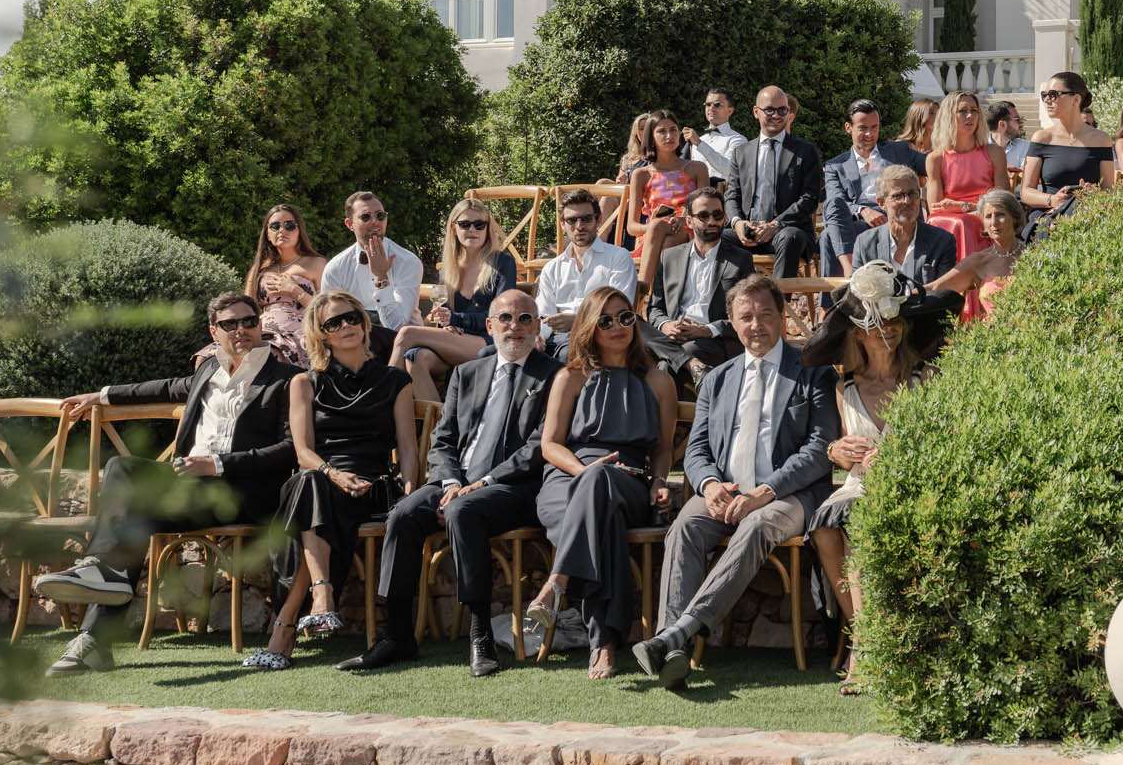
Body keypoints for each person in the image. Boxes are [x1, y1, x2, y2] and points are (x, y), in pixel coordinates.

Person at [37, 293, 296, 675]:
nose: (241, 330)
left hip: (243, 492)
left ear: (260, 325)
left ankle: (94, 635)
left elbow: (290, 450)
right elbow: (162, 387)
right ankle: (100, 600)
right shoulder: (208, 372)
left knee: (132, 514)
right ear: (214, 331)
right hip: (189, 488)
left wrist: (218, 464)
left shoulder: (287, 379)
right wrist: (102, 395)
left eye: (248, 321)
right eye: (229, 324)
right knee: (123, 469)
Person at [632, 276, 837, 694]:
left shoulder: (813, 373)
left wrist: (765, 492)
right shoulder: (718, 379)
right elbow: (698, 448)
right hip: (724, 492)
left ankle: (679, 632)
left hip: (788, 496)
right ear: (731, 321)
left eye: (765, 314)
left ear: (782, 317)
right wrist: (708, 485)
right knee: (685, 526)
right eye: (746, 317)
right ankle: (674, 649)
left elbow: (819, 449)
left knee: (757, 526)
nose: (756, 324)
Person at [338, 287, 557, 677]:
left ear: (538, 325)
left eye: (525, 319)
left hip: (516, 487)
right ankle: (397, 635)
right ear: (489, 326)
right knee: (403, 513)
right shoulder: (467, 373)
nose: (515, 327)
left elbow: (540, 446)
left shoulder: (553, 376)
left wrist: (483, 482)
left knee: (464, 510)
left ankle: (480, 633)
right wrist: (450, 480)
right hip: (456, 484)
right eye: (505, 318)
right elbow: (443, 439)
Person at [243, 290, 417, 670]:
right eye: (333, 323)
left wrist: (408, 493)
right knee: (311, 485)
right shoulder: (305, 383)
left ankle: (286, 626)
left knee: (310, 501)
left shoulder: (394, 381)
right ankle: (321, 598)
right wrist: (334, 474)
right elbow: (303, 451)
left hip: (371, 485)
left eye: (352, 317)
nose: (346, 326)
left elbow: (407, 450)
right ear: (321, 334)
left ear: (364, 321)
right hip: (323, 474)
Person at [529, 287, 676, 680]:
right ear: (590, 327)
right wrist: (584, 472)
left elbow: (662, 450)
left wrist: (659, 481)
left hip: (628, 480)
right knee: (602, 512)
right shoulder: (570, 377)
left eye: (625, 317)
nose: (617, 327)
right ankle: (604, 644)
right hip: (567, 478)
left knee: (604, 489)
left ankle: (558, 582)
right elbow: (550, 445)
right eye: (606, 320)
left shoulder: (658, 380)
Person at [801, 263, 934, 691]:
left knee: (855, 521)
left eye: (894, 322)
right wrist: (836, 451)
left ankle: (865, 652)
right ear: (858, 333)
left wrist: (897, 456)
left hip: (908, 485)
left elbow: (941, 440)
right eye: (877, 325)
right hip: (858, 484)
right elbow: (835, 445)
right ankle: (867, 635)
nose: (888, 332)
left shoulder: (924, 379)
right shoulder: (846, 388)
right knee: (824, 527)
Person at [387, 201, 518, 404]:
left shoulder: (502, 263)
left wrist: (456, 318)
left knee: (407, 334)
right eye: (465, 224)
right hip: (457, 340)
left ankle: (383, 406)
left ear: (487, 228)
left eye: (479, 225)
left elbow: (504, 316)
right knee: (415, 357)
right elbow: (445, 314)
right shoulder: (449, 268)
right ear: (453, 227)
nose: (472, 230)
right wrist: (442, 320)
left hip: (490, 340)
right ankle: (438, 429)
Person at [641, 188, 756, 389]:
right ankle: (692, 365)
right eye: (703, 215)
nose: (712, 221)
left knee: (665, 366)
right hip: (671, 335)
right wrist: (667, 325)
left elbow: (746, 314)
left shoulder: (740, 260)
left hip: (713, 339)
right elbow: (654, 309)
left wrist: (705, 330)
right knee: (632, 323)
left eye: (718, 215)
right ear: (689, 221)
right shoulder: (669, 257)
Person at [723, 85, 823, 281]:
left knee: (790, 238)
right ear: (756, 112)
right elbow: (732, 194)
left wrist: (776, 225)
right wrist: (737, 223)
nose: (776, 115)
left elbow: (810, 198)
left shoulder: (806, 151)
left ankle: (776, 307)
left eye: (782, 110)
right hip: (749, 233)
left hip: (787, 232)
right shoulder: (741, 153)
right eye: (769, 110)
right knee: (714, 238)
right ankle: (729, 307)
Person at [924, 92, 1009, 320]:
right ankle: (955, 304)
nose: (970, 116)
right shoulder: (936, 158)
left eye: (974, 110)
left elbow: (1003, 200)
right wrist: (961, 210)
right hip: (949, 221)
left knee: (966, 222)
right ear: (949, 116)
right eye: (963, 111)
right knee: (952, 223)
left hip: (988, 217)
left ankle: (971, 310)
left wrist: (964, 207)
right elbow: (934, 208)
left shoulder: (994, 153)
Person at [821, 99, 924, 280]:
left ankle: (839, 294)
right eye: (863, 128)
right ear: (848, 128)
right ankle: (850, 275)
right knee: (833, 206)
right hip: (856, 223)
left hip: (895, 214)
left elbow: (933, 163)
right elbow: (837, 201)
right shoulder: (835, 165)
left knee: (827, 237)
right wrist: (862, 210)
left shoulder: (898, 151)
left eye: (874, 127)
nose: (870, 134)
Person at [318, 191, 423, 359]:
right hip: (354, 344)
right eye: (365, 217)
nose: (375, 222)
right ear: (349, 224)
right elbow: (331, 321)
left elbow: (397, 327)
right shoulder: (336, 268)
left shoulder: (408, 262)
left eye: (380, 216)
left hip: (402, 346)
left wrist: (381, 277)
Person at [536, 190, 638, 359]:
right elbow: (544, 315)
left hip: (602, 333)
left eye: (586, 219)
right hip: (557, 339)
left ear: (598, 220)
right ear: (562, 224)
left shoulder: (618, 257)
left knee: (566, 354)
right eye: (571, 220)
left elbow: (621, 311)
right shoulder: (552, 268)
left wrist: (578, 320)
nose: (579, 226)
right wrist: (537, 337)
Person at [1019, 73, 1116, 230]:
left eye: (1053, 94)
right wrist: (1053, 200)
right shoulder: (1042, 138)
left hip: (1088, 215)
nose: (1047, 100)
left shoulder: (1101, 140)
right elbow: (1026, 191)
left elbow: (1109, 191)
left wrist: (1094, 194)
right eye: (1044, 95)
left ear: (1076, 100)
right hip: (1048, 216)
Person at [925, 187, 1028, 322]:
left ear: (1015, 218)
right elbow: (936, 288)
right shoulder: (979, 261)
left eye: (1000, 215)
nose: (994, 222)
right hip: (992, 338)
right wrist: (902, 293)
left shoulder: (1034, 256)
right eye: (988, 216)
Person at [243, 205, 327, 369]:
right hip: (261, 333)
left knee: (268, 355)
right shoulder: (259, 268)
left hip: (298, 335)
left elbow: (327, 312)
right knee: (209, 356)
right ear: (267, 234)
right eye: (275, 226)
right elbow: (246, 308)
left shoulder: (316, 264)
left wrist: (295, 291)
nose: (282, 230)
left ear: (299, 231)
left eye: (289, 225)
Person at [850, 167, 959, 290]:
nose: (907, 201)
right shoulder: (865, 243)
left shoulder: (942, 242)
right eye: (898, 196)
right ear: (881, 203)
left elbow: (944, 296)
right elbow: (857, 292)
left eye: (912, 194)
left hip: (927, 309)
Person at [627, 111, 705, 273]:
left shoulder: (697, 168)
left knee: (670, 240)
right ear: (651, 137)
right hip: (652, 238)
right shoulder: (641, 175)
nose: (669, 135)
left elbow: (706, 212)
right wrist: (657, 226)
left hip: (689, 232)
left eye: (673, 130)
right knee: (661, 232)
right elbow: (632, 227)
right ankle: (658, 294)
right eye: (662, 131)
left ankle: (646, 290)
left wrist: (684, 221)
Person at [682, 89, 746, 181]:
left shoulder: (738, 140)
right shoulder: (698, 140)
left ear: (730, 111)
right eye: (708, 104)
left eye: (717, 105)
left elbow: (730, 169)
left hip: (724, 194)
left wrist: (700, 144)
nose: (711, 108)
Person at [987, 102, 1030, 178]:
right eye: (1017, 120)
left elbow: (1027, 178)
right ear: (1002, 124)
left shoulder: (1025, 146)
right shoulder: (979, 147)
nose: (1020, 123)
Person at [895, 99, 938, 172]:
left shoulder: (940, 146)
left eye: (939, 113)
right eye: (931, 113)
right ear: (919, 116)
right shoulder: (901, 146)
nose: (937, 117)